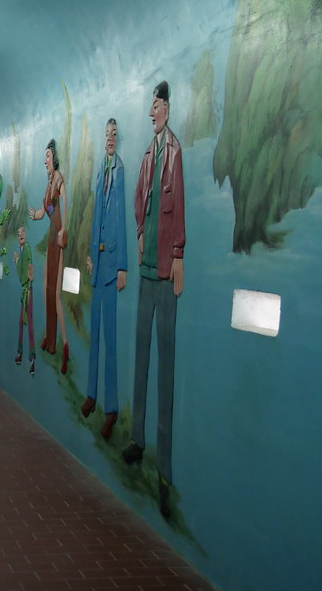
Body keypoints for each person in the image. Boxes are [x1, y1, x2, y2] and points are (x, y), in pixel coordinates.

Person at [123, 81, 185, 520]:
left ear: (167, 109)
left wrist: (178, 255)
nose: (151, 112)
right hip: (146, 269)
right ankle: (137, 440)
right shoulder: (148, 154)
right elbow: (139, 198)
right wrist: (140, 231)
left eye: (157, 106)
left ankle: (164, 469)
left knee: (165, 367)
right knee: (141, 358)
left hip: (165, 270)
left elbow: (177, 206)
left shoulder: (174, 153)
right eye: (151, 106)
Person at [83, 118, 127, 440]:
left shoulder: (119, 171)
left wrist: (122, 265)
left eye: (114, 135)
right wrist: (89, 255)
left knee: (110, 338)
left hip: (111, 266)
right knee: (94, 333)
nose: (110, 139)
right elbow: (95, 216)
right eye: (107, 135)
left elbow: (121, 218)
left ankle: (111, 408)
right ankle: (91, 394)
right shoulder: (100, 171)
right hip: (97, 265)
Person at [29, 139, 69, 374]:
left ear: (54, 158)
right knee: (46, 287)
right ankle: (50, 338)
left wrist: (64, 229)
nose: (45, 160)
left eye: (47, 156)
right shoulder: (47, 184)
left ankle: (63, 345)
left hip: (58, 234)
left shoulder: (58, 178)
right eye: (44, 156)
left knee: (55, 292)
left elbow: (64, 200)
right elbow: (46, 210)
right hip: (51, 234)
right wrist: (35, 215)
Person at [13, 223, 36, 375]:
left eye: (22, 232)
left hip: (28, 292)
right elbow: (21, 273)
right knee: (22, 322)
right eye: (18, 233)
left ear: (25, 235)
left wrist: (30, 274)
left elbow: (26, 272)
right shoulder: (22, 250)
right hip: (25, 292)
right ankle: (21, 353)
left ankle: (30, 357)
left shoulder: (26, 249)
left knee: (28, 323)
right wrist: (17, 262)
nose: (20, 235)